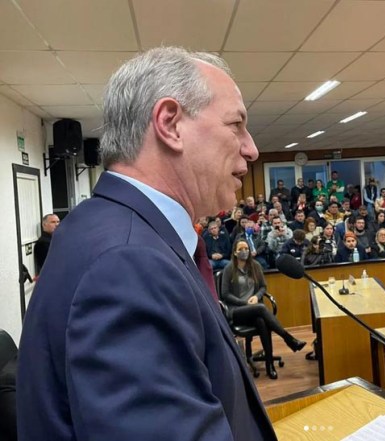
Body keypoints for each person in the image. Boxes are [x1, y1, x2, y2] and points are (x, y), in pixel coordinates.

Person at [18, 48, 278, 440]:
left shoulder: (102, 225)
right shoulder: (127, 263)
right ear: (170, 124)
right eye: (236, 125)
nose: (251, 148)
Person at [221, 240, 306, 380]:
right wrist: (244, 302)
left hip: (254, 308)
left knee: (262, 321)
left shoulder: (255, 266)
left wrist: (256, 296)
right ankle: (288, 338)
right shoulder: (229, 269)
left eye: (247, 248)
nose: (244, 251)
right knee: (261, 309)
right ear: (235, 252)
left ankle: (269, 364)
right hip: (236, 311)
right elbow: (225, 294)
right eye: (241, 249)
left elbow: (263, 287)